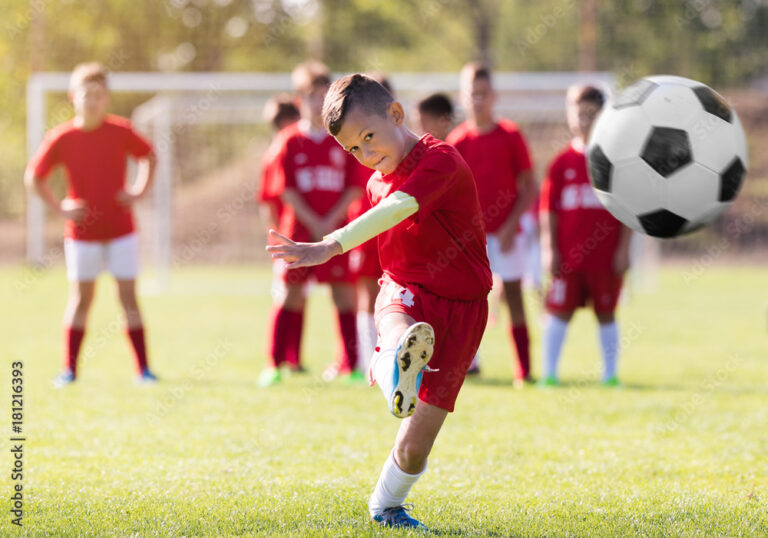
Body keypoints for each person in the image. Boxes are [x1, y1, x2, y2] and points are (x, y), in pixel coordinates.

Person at [267, 74, 491, 529]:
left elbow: (398, 208)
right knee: (400, 329)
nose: (366, 155)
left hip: (465, 308)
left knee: (414, 448)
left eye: (368, 137)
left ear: (396, 114)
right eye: (353, 149)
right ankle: (395, 366)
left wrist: (328, 245)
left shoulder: (441, 160)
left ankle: (385, 504)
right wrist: (333, 248)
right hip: (404, 290)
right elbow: (385, 221)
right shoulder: (375, 183)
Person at [24, 62, 158, 387]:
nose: (93, 101)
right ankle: (69, 371)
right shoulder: (62, 137)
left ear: (106, 98)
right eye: (87, 94)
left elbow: (150, 156)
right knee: (81, 300)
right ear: (74, 97)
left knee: (128, 299)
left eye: (99, 95)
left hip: (121, 231)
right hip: (82, 234)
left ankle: (143, 370)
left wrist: (138, 191)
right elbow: (34, 177)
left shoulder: (121, 130)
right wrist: (60, 207)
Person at [258, 61, 363, 387]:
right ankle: (275, 364)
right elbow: (286, 191)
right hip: (299, 233)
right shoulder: (289, 141)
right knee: (289, 296)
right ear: (300, 99)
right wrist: (314, 221)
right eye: (313, 96)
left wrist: (330, 221)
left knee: (343, 295)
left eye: (324, 96)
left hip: (335, 233)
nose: (319, 103)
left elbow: (354, 187)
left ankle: (351, 366)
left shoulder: (342, 139)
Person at [447, 62, 538, 384]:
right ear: (462, 97)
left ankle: (524, 371)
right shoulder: (457, 141)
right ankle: (468, 364)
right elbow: (450, 192)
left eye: (483, 93)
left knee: (513, 296)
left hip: (507, 235)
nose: (478, 100)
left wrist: (512, 224)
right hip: (471, 239)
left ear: (494, 96)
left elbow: (530, 185)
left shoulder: (510, 135)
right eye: (472, 94)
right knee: (467, 301)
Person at [539, 84, 633, 387]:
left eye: (591, 114)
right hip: (568, 258)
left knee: (606, 312)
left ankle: (610, 375)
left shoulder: (614, 162)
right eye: (579, 113)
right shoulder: (561, 163)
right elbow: (548, 210)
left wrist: (624, 249)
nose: (584, 120)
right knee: (558, 312)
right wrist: (549, 249)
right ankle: (549, 374)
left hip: (605, 257)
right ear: (570, 115)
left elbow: (628, 209)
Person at [256, 94, 300, 233]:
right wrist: (280, 236)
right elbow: (269, 204)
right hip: (289, 235)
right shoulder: (279, 153)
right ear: (287, 122)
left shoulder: (271, 153)